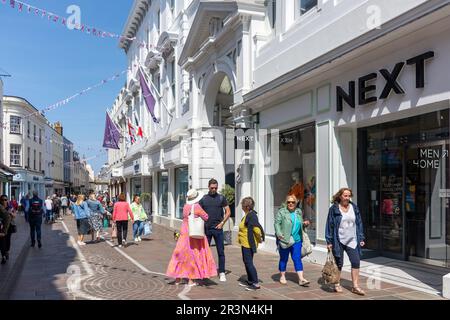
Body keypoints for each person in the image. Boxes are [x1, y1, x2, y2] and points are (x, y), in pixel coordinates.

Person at [166, 189, 217, 286]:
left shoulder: (185, 206)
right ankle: (191, 280)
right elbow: (206, 217)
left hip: (184, 233)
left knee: (181, 254)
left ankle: (178, 278)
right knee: (193, 254)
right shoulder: (197, 206)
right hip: (194, 234)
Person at [325, 187, 366, 295]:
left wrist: (361, 237)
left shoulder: (354, 208)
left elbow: (359, 223)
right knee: (339, 263)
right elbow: (330, 225)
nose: (347, 198)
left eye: (349, 196)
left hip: (352, 240)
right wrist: (329, 241)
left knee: (356, 262)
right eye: (345, 196)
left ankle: (355, 286)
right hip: (338, 240)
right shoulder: (334, 209)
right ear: (340, 196)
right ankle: (336, 283)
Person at [274, 195, 310, 286]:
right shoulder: (282, 212)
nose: (290, 204)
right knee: (284, 258)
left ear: (296, 203)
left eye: (293, 202)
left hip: (297, 239)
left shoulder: (298, 212)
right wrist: (279, 233)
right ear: (286, 203)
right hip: (285, 239)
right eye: (288, 202)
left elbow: (299, 223)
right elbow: (277, 223)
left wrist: (304, 224)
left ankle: (301, 279)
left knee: (297, 258)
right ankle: (282, 276)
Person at [199, 178, 231, 282]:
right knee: (204, 252)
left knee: (221, 251)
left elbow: (228, 211)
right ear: (208, 187)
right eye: (212, 188)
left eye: (216, 188)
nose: (214, 189)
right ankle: (205, 271)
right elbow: (197, 212)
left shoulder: (221, 198)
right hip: (207, 229)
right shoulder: (203, 199)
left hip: (218, 229)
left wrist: (222, 223)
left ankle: (221, 272)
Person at [238, 197, 265, 291]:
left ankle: (255, 283)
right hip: (245, 243)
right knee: (246, 261)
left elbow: (256, 229)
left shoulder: (252, 216)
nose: (241, 206)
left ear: (247, 206)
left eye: (242, 205)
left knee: (249, 262)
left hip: (248, 243)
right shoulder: (247, 215)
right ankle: (250, 280)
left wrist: (259, 239)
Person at [0, 195, 13, 264]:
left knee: (7, 241)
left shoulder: (9, 207)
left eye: (5, 200)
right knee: (2, 241)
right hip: (2, 228)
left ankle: (6, 251)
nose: (4, 201)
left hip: (9, 227)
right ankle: (3, 256)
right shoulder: (0, 207)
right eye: (2, 200)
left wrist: (11, 213)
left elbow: (13, 216)